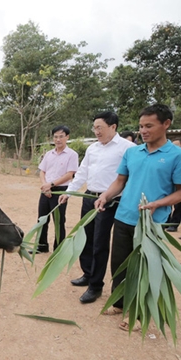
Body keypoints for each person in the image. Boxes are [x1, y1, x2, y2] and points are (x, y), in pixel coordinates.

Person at [95, 104, 181, 330]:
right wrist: (105, 195)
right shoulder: (132, 152)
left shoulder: (176, 155)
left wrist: (158, 204)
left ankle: (139, 313)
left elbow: (180, 191)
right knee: (120, 265)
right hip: (124, 216)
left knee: (145, 268)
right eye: (141, 126)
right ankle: (120, 302)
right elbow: (120, 181)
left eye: (149, 126)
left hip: (152, 224)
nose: (143, 130)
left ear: (166, 124)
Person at [59, 111, 135, 304]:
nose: (96, 131)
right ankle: (88, 273)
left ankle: (96, 286)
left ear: (113, 127)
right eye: (95, 128)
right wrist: (69, 192)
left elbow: (130, 178)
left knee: (100, 242)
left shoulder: (128, 148)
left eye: (99, 127)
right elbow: (82, 173)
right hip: (88, 197)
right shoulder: (93, 148)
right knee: (86, 238)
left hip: (110, 201)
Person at [32, 125, 79, 253]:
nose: (58, 140)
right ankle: (41, 246)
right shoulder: (49, 154)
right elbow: (42, 171)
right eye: (55, 137)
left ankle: (59, 249)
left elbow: (70, 174)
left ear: (67, 137)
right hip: (45, 190)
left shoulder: (72, 155)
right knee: (42, 218)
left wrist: (51, 185)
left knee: (59, 220)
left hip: (60, 191)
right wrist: (45, 185)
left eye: (61, 137)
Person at [165, 138, 181, 232]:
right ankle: (167, 221)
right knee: (168, 201)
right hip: (172, 182)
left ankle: (174, 224)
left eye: (176, 146)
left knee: (179, 206)